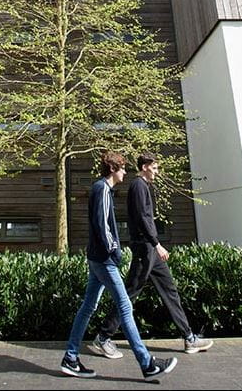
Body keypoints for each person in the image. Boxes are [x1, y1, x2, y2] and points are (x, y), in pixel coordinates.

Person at [60, 150, 178, 380]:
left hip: (96, 258)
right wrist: (115, 250)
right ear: (113, 169)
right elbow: (103, 226)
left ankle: (71, 358)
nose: (125, 172)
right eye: (122, 168)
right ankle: (147, 364)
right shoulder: (102, 189)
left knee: (88, 307)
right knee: (125, 307)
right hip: (104, 260)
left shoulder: (101, 189)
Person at [89, 152, 213, 359]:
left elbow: (147, 219)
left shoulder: (144, 186)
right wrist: (157, 244)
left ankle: (189, 337)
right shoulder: (138, 186)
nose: (157, 172)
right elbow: (142, 219)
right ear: (145, 166)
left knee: (169, 290)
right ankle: (103, 336)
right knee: (129, 293)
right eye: (155, 168)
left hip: (150, 251)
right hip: (144, 250)